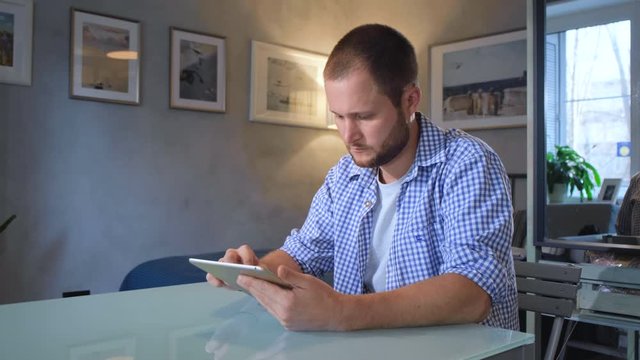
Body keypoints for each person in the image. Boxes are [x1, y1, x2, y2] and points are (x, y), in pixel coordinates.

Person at [208, 24, 518, 331]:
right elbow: (302, 254)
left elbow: (473, 293)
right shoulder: (345, 176)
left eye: (364, 116)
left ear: (410, 100)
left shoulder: (466, 162)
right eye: (338, 116)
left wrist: (342, 312)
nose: (348, 135)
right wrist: (253, 272)